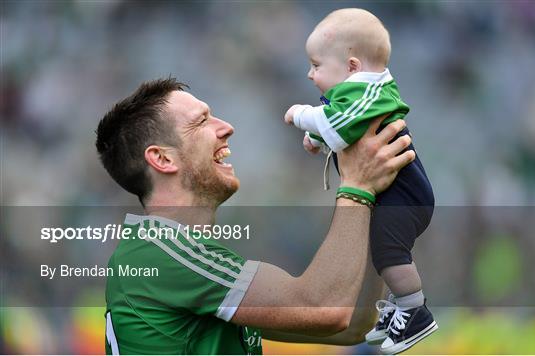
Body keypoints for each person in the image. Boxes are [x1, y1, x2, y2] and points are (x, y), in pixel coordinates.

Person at [96, 77, 414, 354]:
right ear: (163, 158)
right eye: (201, 121)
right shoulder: (160, 255)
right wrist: (357, 185)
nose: (227, 127)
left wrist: (375, 198)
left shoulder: (168, 254)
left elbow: (350, 324)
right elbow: (322, 309)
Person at [284, 8, 437, 354]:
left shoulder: (369, 93)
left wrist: (301, 115)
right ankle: (397, 309)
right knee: (376, 249)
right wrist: (318, 139)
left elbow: (339, 125)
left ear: (352, 67)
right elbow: (346, 130)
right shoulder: (357, 96)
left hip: (404, 197)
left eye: (316, 65)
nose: (309, 74)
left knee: (388, 253)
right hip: (393, 197)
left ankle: (414, 309)